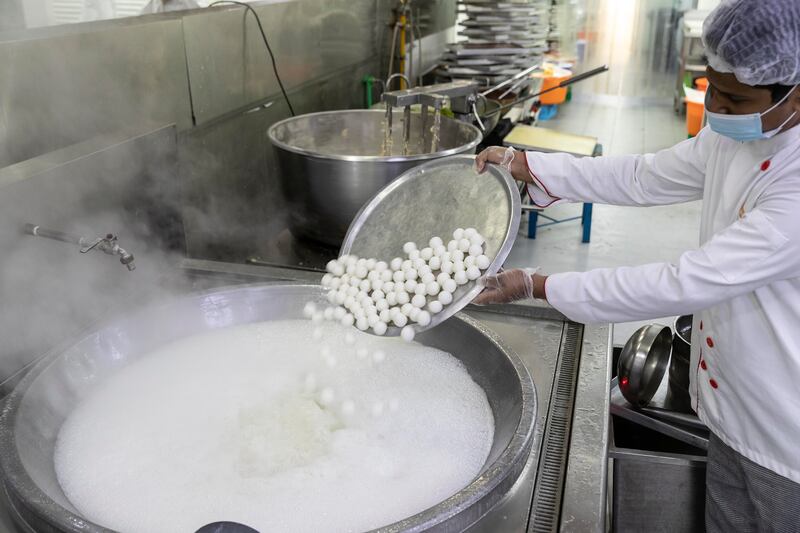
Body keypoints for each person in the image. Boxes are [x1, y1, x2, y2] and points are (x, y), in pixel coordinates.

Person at [474, 0, 800, 531]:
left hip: (787, 433)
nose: (714, 106)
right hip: (730, 404)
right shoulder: (733, 132)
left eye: (734, 98)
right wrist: (531, 163)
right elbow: (646, 175)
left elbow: (689, 281)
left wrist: (537, 285)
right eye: (710, 86)